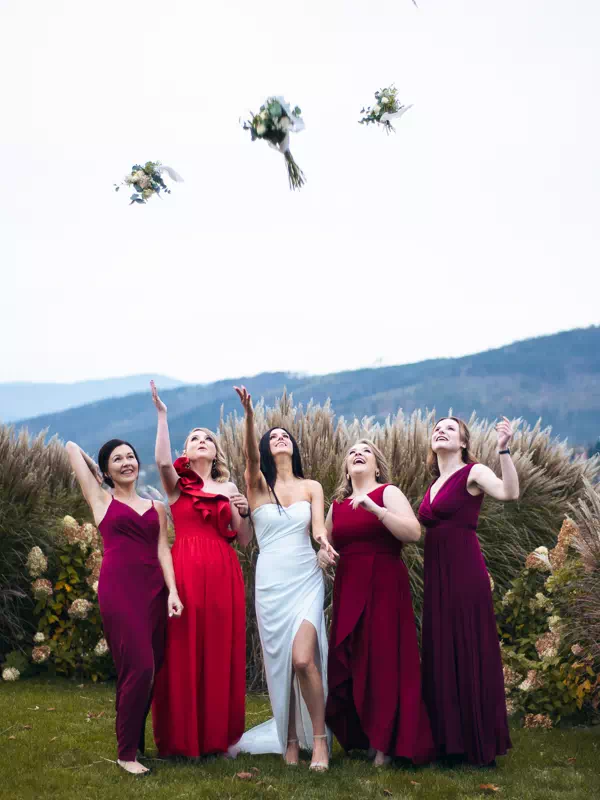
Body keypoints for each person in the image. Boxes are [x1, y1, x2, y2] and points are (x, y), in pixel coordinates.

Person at [231, 386, 335, 771]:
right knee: (281, 664)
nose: (280, 438)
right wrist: (249, 416)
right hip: (271, 582)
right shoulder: (258, 486)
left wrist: (324, 545)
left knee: (303, 659)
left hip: (306, 576)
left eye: (284, 435)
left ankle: (319, 741)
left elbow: (318, 529)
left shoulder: (312, 487)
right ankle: (289, 739)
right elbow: (248, 457)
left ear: (294, 446)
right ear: (264, 448)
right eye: (272, 436)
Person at [65, 438, 182, 776]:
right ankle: (126, 754)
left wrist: (173, 591)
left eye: (130, 456)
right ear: (106, 470)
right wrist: (97, 473)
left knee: (150, 667)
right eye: (117, 459)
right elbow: (71, 447)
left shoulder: (156, 507)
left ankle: (133, 740)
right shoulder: (101, 499)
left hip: (155, 591)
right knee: (139, 667)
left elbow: (163, 550)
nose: (127, 462)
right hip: (119, 592)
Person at [149, 381, 252, 758]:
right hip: (185, 570)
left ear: (216, 451)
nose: (202, 440)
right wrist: (163, 416)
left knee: (218, 649)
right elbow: (162, 461)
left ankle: (215, 737)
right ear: (187, 452)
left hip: (224, 571)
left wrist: (244, 512)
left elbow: (244, 540)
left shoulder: (229, 487)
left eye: (208, 437)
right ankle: (182, 737)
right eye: (195, 438)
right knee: (182, 648)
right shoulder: (177, 486)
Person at [318, 439, 434, 766]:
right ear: (346, 468)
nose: (358, 453)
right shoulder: (337, 505)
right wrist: (323, 555)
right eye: (352, 452)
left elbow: (413, 533)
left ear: (377, 467)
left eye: (365, 451)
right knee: (353, 659)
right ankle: (366, 736)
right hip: (349, 587)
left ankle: (386, 744)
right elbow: (327, 544)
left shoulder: (388, 492)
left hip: (384, 584)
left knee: (383, 660)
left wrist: (376, 510)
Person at [418, 416, 519, 766]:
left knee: (468, 644)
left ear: (463, 442)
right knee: (442, 647)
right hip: (436, 574)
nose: (440, 430)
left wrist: (503, 449)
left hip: (464, 571)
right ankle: (448, 743)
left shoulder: (473, 472)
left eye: (450, 428)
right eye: (436, 428)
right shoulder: (434, 483)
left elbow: (509, 492)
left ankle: (479, 742)